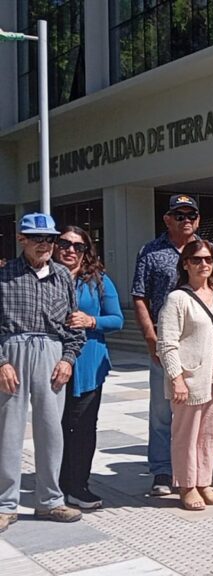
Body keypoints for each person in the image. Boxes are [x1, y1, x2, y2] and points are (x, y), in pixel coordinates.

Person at [0, 213, 86, 532]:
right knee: (8, 431)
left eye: (50, 239)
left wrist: (68, 359)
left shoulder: (62, 276)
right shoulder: (5, 274)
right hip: (13, 351)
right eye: (37, 238)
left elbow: (74, 323)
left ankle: (50, 500)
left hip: (51, 352)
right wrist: (1, 362)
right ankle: (5, 504)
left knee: (51, 430)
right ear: (21, 239)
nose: (45, 245)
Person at [158, 240, 213, 510]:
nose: (203, 264)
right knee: (186, 435)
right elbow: (167, 343)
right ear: (186, 264)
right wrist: (176, 378)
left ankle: (204, 481)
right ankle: (187, 485)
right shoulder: (177, 299)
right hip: (189, 379)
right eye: (196, 260)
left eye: (208, 260)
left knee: (209, 433)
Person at [131, 194, 207, 496]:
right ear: (167, 219)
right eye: (179, 215)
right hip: (166, 343)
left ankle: (203, 467)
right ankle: (162, 470)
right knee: (162, 412)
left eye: (191, 215)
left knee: (202, 408)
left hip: (201, 342)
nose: (186, 220)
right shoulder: (151, 252)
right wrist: (151, 338)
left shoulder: (207, 250)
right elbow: (140, 296)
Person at [56, 226, 123, 509]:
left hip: (88, 364)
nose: (70, 250)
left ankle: (78, 485)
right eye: (65, 244)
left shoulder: (98, 281)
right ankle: (56, 485)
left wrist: (91, 321)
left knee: (82, 426)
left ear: (87, 251)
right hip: (52, 364)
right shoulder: (44, 277)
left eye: (78, 246)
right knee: (55, 426)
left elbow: (117, 319)